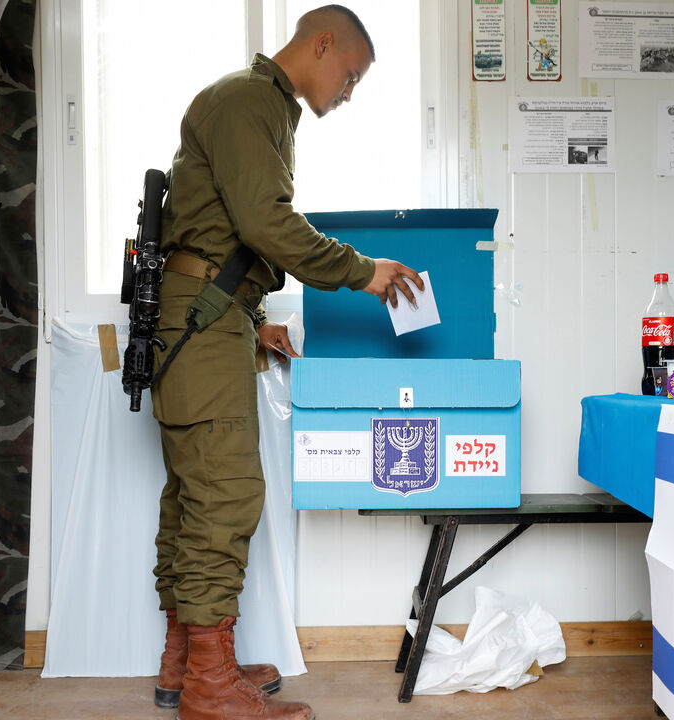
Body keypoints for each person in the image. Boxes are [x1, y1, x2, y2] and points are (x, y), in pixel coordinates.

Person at [148, 6, 423, 720]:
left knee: (192, 492)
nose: (350, 91)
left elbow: (222, 228)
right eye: (352, 75)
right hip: (201, 319)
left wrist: (253, 315)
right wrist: (362, 271)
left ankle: (188, 659)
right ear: (322, 43)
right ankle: (209, 684)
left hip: (209, 311)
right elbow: (265, 222)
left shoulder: (257, 104)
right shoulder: (248, 100)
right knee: (226, 492)